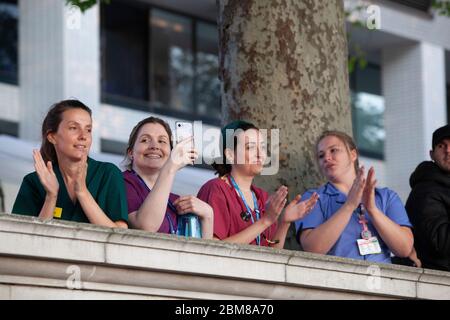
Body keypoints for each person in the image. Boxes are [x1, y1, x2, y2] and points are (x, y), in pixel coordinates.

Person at [295, 130, 413, 263]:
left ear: (353, 154)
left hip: (382, 280)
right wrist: (349, 206)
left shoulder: (386, 196)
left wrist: (373, 210)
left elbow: (405, 249)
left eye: (333, 150)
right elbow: (312, 249)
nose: (327, 158)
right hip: (337, 280)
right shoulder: (313, 198)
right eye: (321, 156)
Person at [197, 120, 318, 248]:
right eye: (250, 147)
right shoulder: (216, 189)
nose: (260, 154)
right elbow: (213, 250)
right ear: (230, 155)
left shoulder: (261, 196)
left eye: (263, 147)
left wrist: (285, 222)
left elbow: (273, 252)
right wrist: (265, 221)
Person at [12, 100, 128, 228]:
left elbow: (120, 234)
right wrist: (51, 196)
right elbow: (24, 238)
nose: (83, 136)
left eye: (88, 129)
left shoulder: (108, 173)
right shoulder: (33, 182)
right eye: (73, 128)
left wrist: (82, 192)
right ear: (52, 137)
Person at [122, 117, 213, 239]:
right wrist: (170, 168)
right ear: (130, 152)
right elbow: (146, 227)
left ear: (170, 152)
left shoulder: (175, 201)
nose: (154, 146)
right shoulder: (121, 182)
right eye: (145, 140)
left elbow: (203, 253)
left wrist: (208, 215)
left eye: (162, 141)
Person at [405, 124, 450, 271]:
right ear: (432, 154)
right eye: (441, 146)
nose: (448, 151)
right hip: (437, 282)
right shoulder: (426, 190)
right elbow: (441, 242)